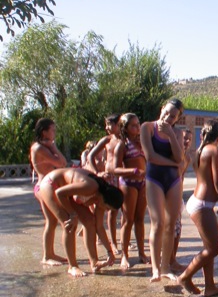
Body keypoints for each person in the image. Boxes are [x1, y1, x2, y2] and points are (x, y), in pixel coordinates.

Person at [35, 167, 124, 277]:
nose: (106, 210)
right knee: (69, 223)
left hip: (67, 192)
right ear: (103, 199)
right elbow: (60, 193)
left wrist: (109, 252)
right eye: (107, 207)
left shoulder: (102, 198)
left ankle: (94, 262)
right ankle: (72, 266)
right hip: (51, 184)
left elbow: (99, 227)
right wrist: (72, 214)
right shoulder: (91, 187)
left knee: (90, 221)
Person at [177, 121, 218, 296]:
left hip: (198, 201)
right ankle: (185, 277)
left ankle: (210, 287)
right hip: (202, 205)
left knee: (209, 247)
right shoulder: (214, 150)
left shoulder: (200, 150)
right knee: (214, 249)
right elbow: (217, 181)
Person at [140, 98, 185, 282]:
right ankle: (155, 269)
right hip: (154, 178)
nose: (168, 117)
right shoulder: (147, 128)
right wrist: (173, 163)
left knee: (170, 224)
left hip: (173, 181)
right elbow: (150, 156)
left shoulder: (177, 133)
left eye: (173, 116)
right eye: (166, 112)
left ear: (177, 119)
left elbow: (179, 156)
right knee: (157, 223)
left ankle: (166, 267)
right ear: (161, 109)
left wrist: (172, 136)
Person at [30, 118, 68, 266]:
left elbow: (62, 162)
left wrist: (52, 146)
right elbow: (61, 163)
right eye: (52, 130)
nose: (55, 132)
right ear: (44, 131)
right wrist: (53, 147)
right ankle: (46, 256)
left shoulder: (44, 147)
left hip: (50, 187)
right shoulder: (39, 148)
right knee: (51, 221)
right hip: (42, 187)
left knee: (52, 221)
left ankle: (50, 253)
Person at [113, 113, 149, 269]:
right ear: (125, 128)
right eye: (133, 125)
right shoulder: (122, 145)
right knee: (128, 220)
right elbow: (115, 169)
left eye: (138, 123)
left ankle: (142, 253)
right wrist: (133, 171)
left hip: (143, 183)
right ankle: (124, 255)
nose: (137, 127)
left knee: (140, 219)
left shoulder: (143, 143)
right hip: (128, 183)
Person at [88, 114, 121, 255]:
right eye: (106, 125)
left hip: (122, 178)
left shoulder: (125, 140)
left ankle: (121, 241)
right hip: (109, 178)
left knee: (121, 212)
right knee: (110, 212)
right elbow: (91, 156)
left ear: (118, 124)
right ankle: (113, 243)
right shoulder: (106, 140)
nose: (107, 128)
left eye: (110, 124)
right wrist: (97, 173)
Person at [170, 128, 193, 273]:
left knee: (177, 230)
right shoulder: (171, 155)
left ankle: (173, 260)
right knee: (169, 229)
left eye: (189, 139)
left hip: (178, 197)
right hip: (168, 197)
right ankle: (167, 261)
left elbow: (182, 178)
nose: (186, 141)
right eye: (184, 138)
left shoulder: (187, 158)